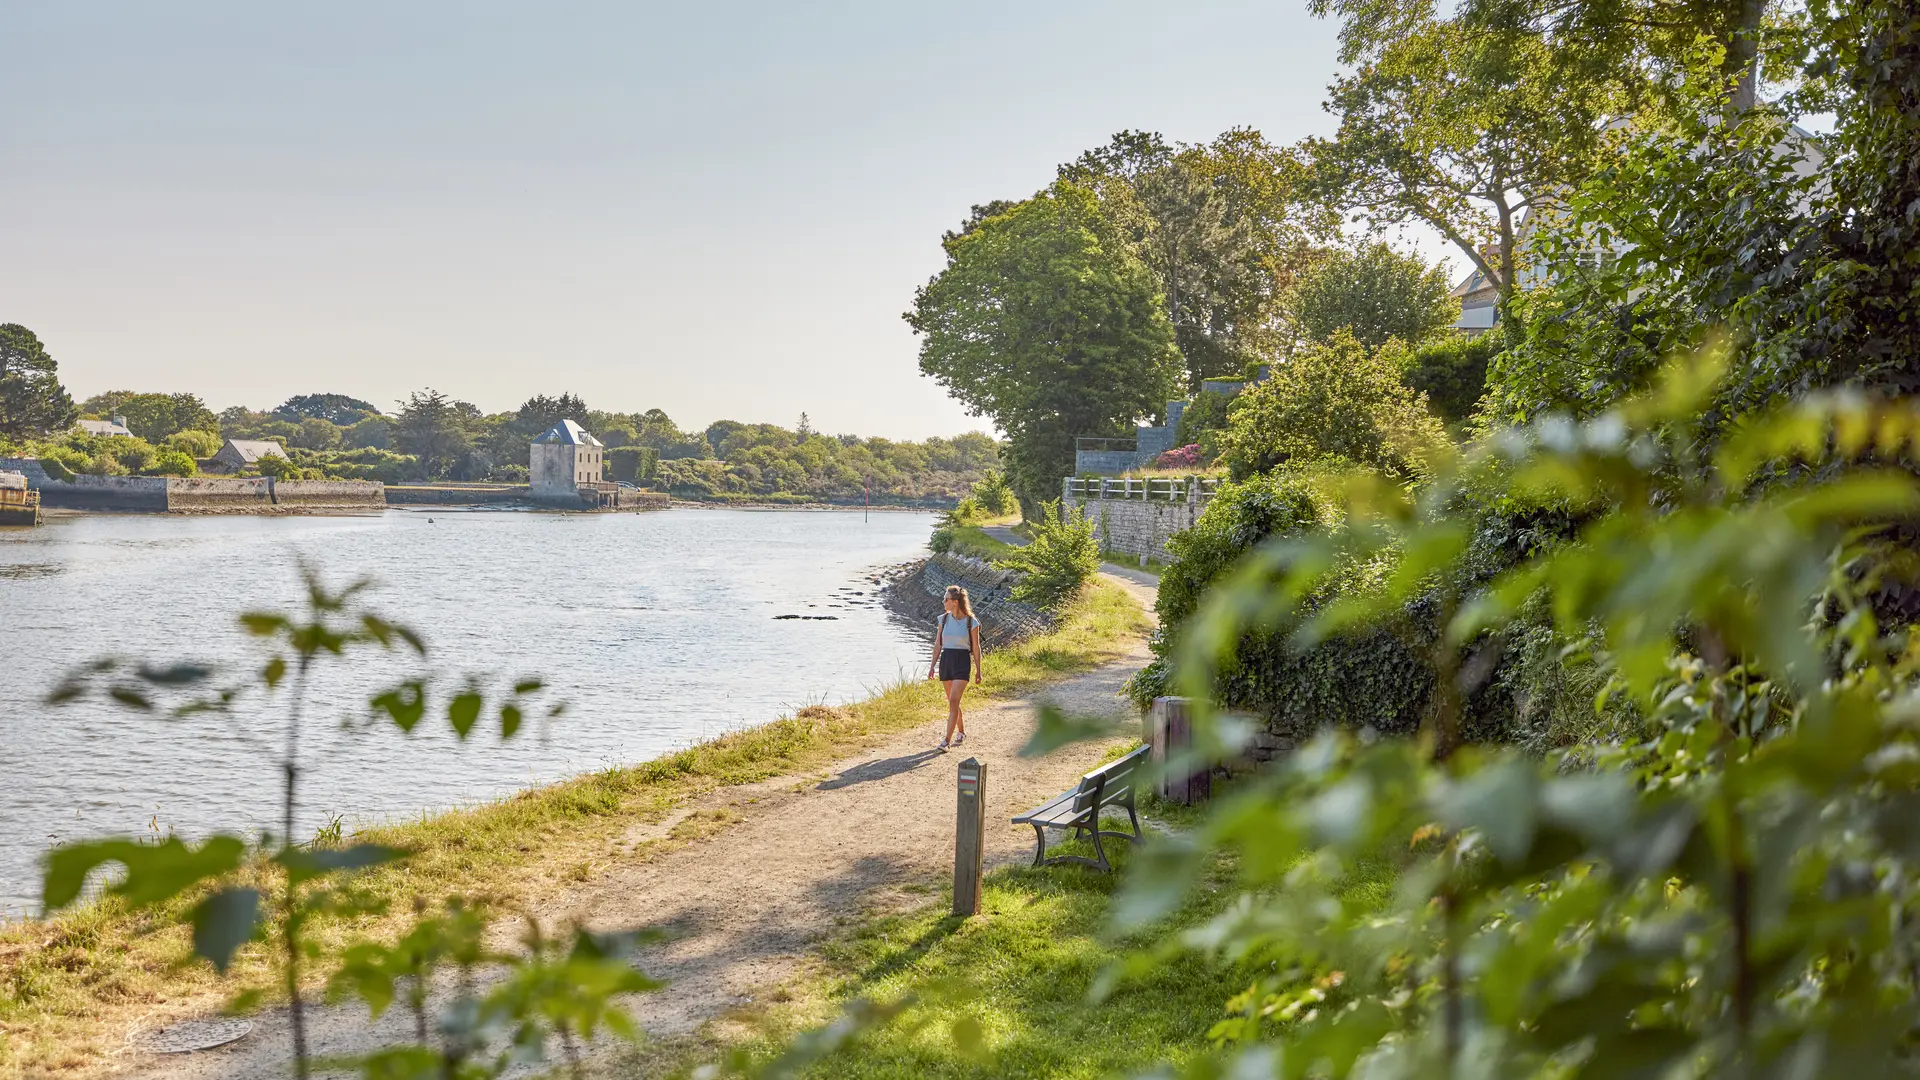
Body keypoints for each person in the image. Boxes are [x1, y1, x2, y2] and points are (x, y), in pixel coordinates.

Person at [927, 585, 983, 751]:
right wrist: (932, 667)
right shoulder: (942, 620)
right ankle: (961, 731)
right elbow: (938, 644)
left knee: (953, 701)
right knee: (953, 702)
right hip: (946, 661)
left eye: (946, 599)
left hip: (962, 661)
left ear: (955, 602)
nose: (943, 602)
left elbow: (976, 647)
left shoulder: (971, 622)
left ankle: (946, 741)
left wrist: (979, 671)